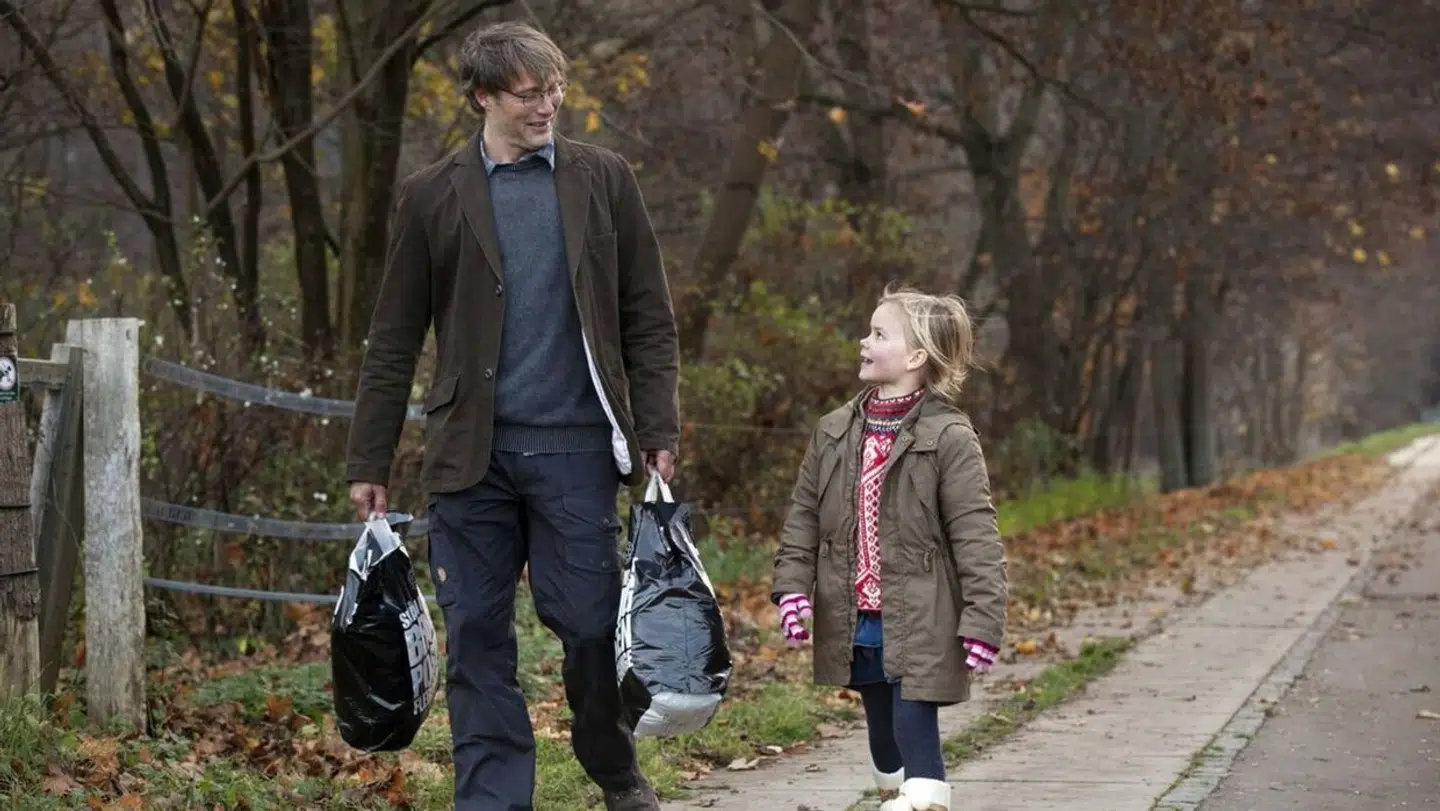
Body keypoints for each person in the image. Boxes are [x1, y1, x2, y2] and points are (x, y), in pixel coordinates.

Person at [343, 19, 679, 811]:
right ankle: (494, 799)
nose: (548, 106)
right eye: (530, 93)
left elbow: (648, 318)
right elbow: (392, 339)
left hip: (576, 450)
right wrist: (370, 460)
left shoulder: (605, 179)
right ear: (483, 96)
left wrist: (657, 430)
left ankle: (613, 761)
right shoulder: (431, 195)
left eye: (555, 89)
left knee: (592, 626)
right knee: (479, 637)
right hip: (470, 458)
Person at [770, 286, 1008, 811]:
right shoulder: (833, 431)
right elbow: (804, 516)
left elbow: (976, 532)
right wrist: (791, 589)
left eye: (878, 334)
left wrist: (983, 620)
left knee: (912, 715)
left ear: (916, 357)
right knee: (882, 727)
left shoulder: (949, 436)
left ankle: (926, 799)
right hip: (855, 612)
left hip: (922, 610)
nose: (864, 341)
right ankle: (899, 791)